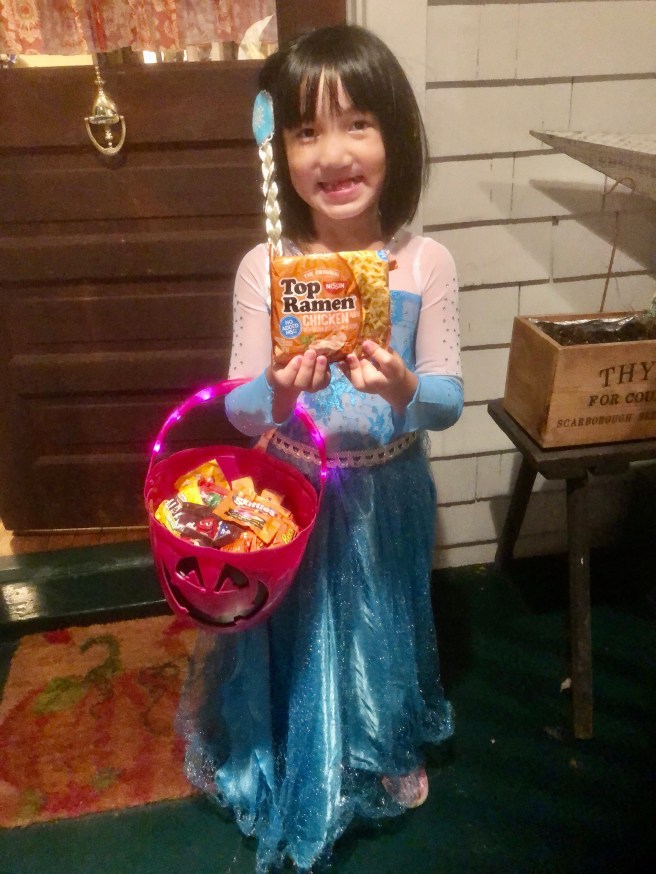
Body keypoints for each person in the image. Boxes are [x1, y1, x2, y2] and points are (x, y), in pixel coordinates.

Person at [177, 23, 464, 873]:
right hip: (293, 491)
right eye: (306, 131)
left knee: (382, 621)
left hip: (388, 489)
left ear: (395, 135)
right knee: (293, 634)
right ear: (281, 152)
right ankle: (293, 740)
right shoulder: (265, 269)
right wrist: (278, 388)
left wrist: (404, 388)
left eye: (357, 124)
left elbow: (448, 403)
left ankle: (379, 738)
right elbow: (238, 411)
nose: (333, 154)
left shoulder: (425, 262)